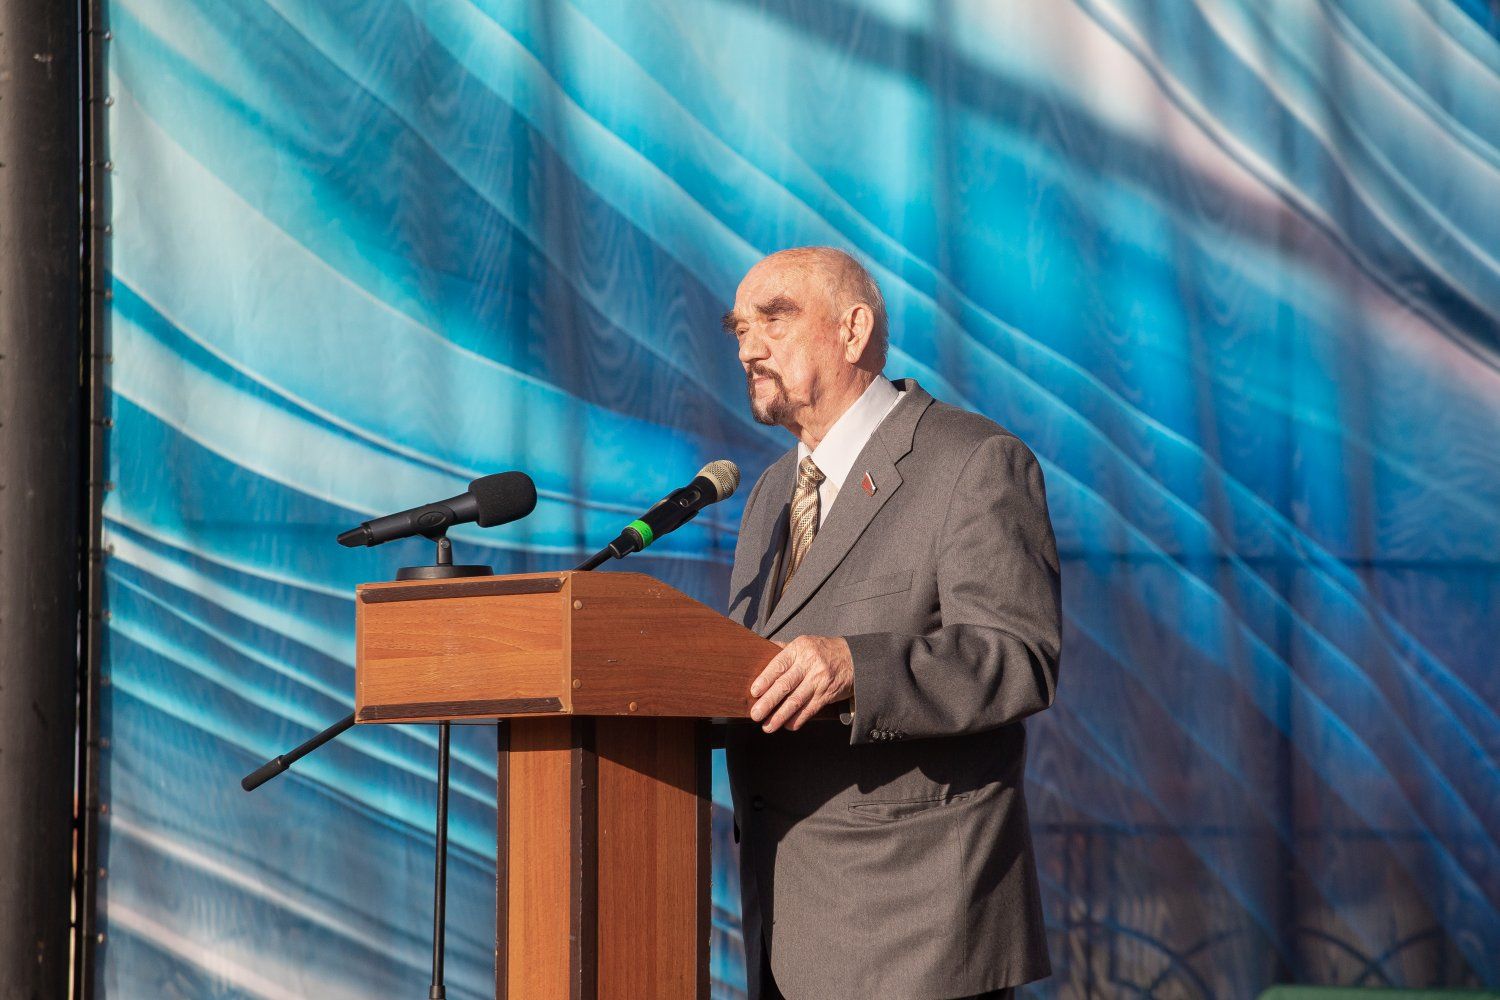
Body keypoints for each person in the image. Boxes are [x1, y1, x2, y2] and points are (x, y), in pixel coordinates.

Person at [721, 247, 1062, 1000]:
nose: (748, 348)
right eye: (739, 328)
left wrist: (857, 667)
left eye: (774, 319)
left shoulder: (974, 461)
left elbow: (1017, 656)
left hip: (918, 931)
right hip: (784, 920)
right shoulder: (771, 492)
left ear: (853, 330)